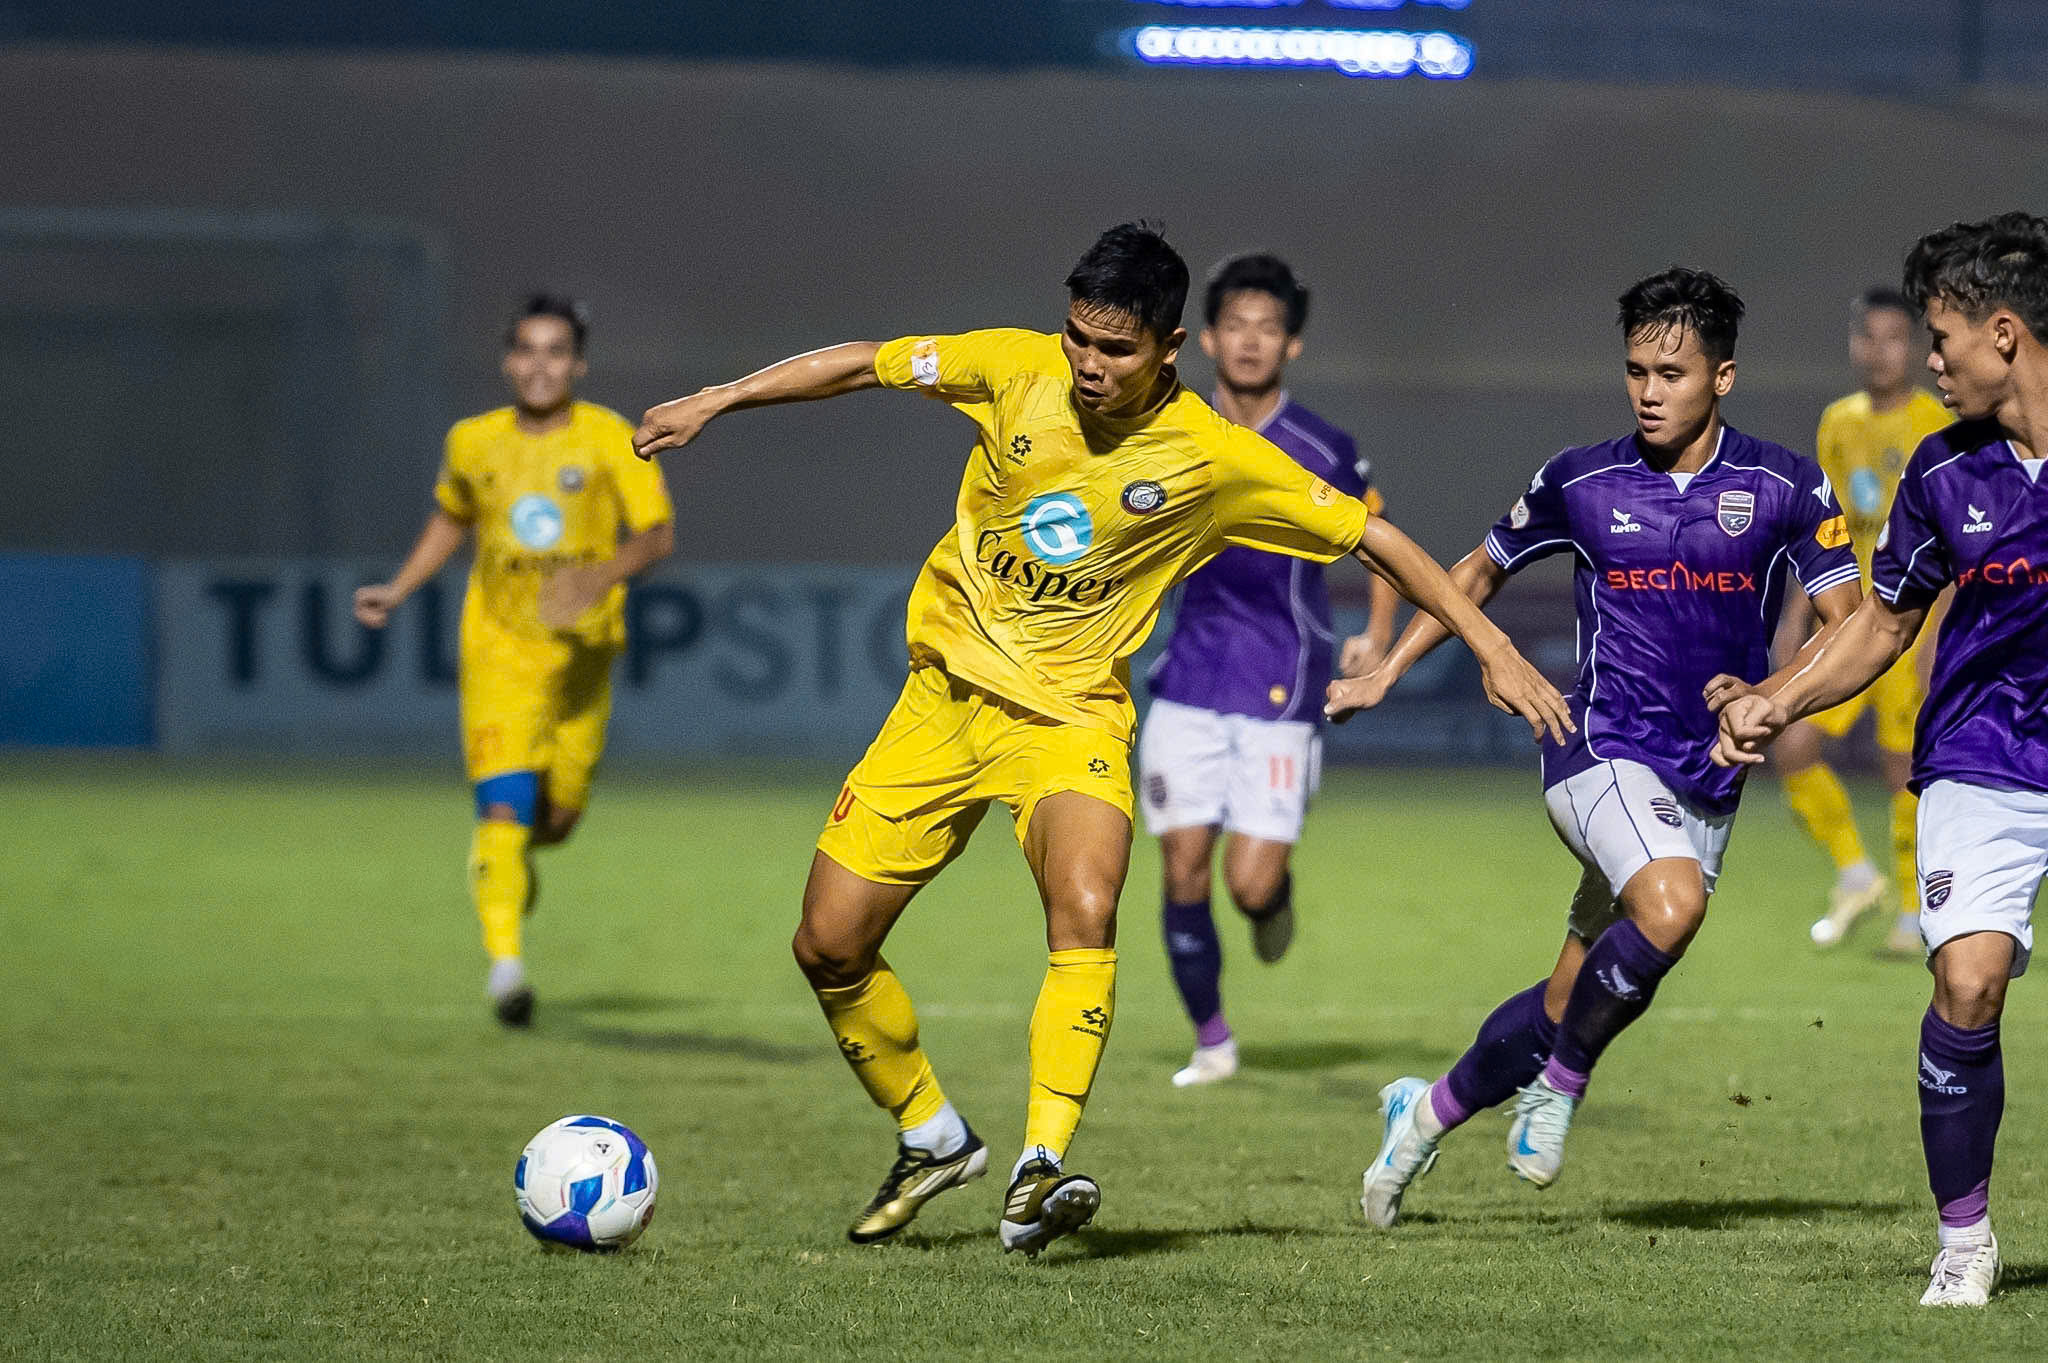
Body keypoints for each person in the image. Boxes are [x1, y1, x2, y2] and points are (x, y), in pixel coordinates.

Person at [632, 223, 1569, 1255]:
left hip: (1071, 719)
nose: (1087, 363)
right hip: (940, 706)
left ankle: (1038, 1166)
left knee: (1085, 904)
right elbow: (864, 362)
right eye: (1078, 337)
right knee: (828, 944)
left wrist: (1487, 646)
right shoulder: (1012, 364)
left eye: (1115, 349)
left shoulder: (1213, 457)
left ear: (1170, 346)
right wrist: (713, 400)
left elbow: (1375, 537)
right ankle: (931, 1134)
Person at [1339, 267, 1861, 1227]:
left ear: (1725, 377)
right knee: (1673, 904)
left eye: (1672, 371)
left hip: (1704, 773)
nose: (1650, 391)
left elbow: (1849, 621)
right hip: (1594, 745)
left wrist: (1774, 697)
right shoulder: (1581, 478)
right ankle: (1565, 1087)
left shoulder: (1784, 483)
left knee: (1566, 999)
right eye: (1635, 370)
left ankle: (1423, 1114)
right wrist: (1387, 672)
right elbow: (1474, 574)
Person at [1715, 212, 2048, 1308]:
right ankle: (1963, 1241)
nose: (1931, 359)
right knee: (1965, 982)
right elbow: (1876, 625)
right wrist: (1774, 697)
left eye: (1941, 336)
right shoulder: (1939, 469)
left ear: (2003, 334)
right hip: (1984, 753)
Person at [354, 295, 675, 1027]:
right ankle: (507, 968)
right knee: (501, 806)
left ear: (578, 363)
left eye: (555, 351)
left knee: (554, 821)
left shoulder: (608, 438)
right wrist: (399, 589)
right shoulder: (472, 441)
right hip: (499, 651)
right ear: (507, 360)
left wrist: (596, 577)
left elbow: (655, 537)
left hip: (584, 659)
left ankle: (503, 864)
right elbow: (451, 516)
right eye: (527, 350)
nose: (540, 365)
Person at [1139, 253, 1397, 1088]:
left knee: (1247, 886)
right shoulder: (1166, 427)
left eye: (1269, 329)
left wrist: (1377, 634)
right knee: (1181, 866)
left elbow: (1381, 544)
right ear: (1207, 339)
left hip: (1285, 680)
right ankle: (1212, 1039)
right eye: (1237, 326)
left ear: (1291, 347)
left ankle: (1271, 899)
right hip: (1186, 679)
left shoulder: (1323, 445)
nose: (1251, 342)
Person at [1775, 289, 1952, 952]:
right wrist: (1796, 619)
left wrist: (1939, 634)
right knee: (1789, 739)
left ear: (1914, 346)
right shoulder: (1837, 422)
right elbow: (1824, 531)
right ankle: (1855, 871)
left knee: (1902, 765)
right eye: (1867, 337)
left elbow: (1962, 540)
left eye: (1892, 337)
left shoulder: (1938, 423)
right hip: (1849, 617)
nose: (1878, 351)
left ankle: (1914, 909)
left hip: (1913, 619)